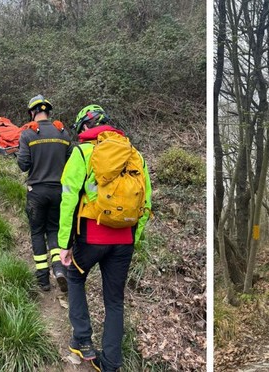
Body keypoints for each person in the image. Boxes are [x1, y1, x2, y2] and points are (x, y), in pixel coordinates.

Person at [58, 104, 152, 371]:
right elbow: (146, 203)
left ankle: (82, 341)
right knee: (114, 300)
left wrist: (64, 244)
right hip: (124, 239)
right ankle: (110, 364)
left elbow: (67, 200)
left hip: (91, 235)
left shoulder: (82, 152)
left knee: (75, 277)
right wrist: (135, 237)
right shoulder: (135, 155)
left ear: (85, 128)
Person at [18, 94, 72, 292]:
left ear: (33, 112)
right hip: (59, 192)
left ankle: (42, 278)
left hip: (37, 192)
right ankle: (59, 269)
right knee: (54, 230)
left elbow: (23, 165)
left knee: (37, 232)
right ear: (48, 112)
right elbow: (70, 163)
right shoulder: (63, 133)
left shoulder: (28, 134)